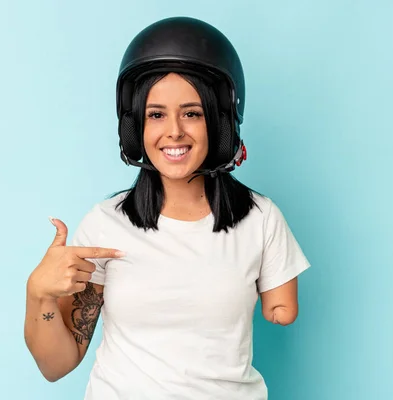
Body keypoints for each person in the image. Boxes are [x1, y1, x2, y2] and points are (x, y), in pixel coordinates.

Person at [24, 16, 311, 400]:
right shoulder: (105, 225)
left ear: (221, 122)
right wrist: (38, 294)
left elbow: (282, 310)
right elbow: (56, 365)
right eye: (156, 114)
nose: (173, 131)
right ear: (135, 128)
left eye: (192, 113)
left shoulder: (260, 218)